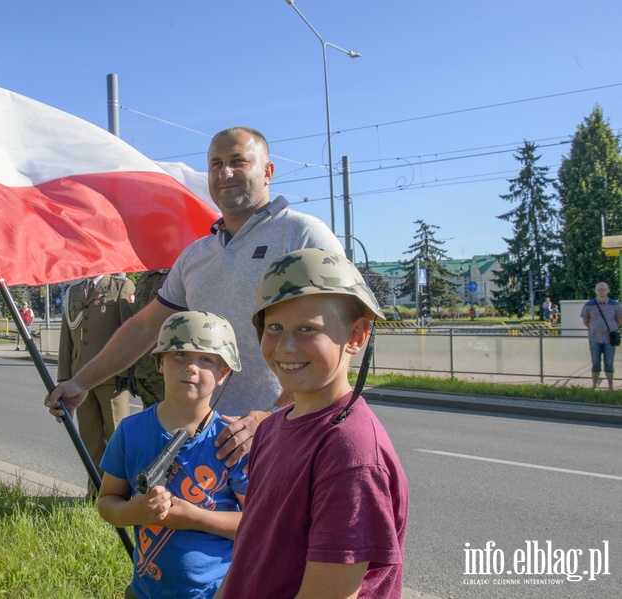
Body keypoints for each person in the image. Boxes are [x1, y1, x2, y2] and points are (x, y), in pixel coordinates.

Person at [47, 126, 343, 467]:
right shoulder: (196, 255)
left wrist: (272, 417)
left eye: (238, 161)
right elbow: (145, 328)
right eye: (215, 164)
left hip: (288, 437)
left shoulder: (302, 234)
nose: (225, 172)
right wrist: (82, 382)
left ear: (267, 171)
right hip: (210, 444)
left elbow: (340, 335)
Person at [216, 249, 409, 599]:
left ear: (356, 336)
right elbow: (250, 545)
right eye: (274, 327)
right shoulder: (273, 428)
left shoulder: (349, 452)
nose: (286, 346)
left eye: (308, 329)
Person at [98, 311, 248, 599]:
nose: (191, 367)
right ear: (160, 362)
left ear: (223, 374)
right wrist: (133, 512)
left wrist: (195, 518)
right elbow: (107, 502)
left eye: (206, 359)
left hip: (216, 592)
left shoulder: (233, 440)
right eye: (179, 354)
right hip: (146, 591)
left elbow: (257, 522)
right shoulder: (131, 431)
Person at [58, 274, 136, 483]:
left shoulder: (120, 286)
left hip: (111, 377)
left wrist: (125, 373)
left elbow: (130, 334)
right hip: (79, 378)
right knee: (90, 439)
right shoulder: (73, 292)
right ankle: (95, 492)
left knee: (118, 438)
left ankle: (121, 494)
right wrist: (64, 377)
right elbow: (67, 338)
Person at [130, 269, 170, 407]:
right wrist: (131, 368)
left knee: (174, 424)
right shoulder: (144, 277)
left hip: (166, 369)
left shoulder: (177, 273)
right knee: (149, 423)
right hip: (142, 369)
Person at [580, 282, 622, 390]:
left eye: (603, 289)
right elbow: (585, 321)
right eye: (599, 289)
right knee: (595, 363)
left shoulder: (615, 305)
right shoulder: (589, 305)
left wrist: (612, 329)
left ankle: (610, 387)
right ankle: (594, 387)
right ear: (595, 291)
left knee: (609, 363)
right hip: (594, 338)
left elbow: (619, 320)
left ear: (608, 290)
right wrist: (594, 329)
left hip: (609, 339)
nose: (601, 291)